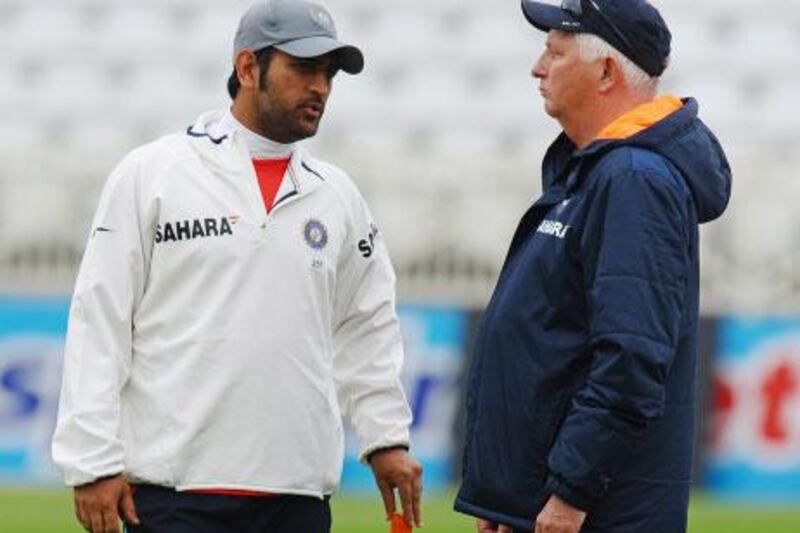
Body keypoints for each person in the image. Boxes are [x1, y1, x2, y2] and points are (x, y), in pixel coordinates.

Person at [51, 1, 423, 532]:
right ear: (248, 68)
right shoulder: (153, 174)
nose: (320, 87)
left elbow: (365, 327)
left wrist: (385, 437)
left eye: (329, 73)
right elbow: (100, 318)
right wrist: (91, 462)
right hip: (172, 497)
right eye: (303, 68)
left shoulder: (337, 196)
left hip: (296, 499)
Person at [454, 1, 731, 532]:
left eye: (555, 53)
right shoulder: (597, 173)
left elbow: (630, 357)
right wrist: (510, 501)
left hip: (597, 515)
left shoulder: (632, 179)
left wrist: (569, 494)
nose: (538, 68)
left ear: (605, 72)